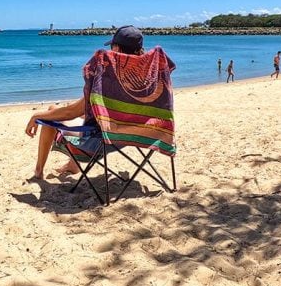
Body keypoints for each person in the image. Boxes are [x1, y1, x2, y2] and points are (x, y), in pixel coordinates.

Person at [24, 25, 175, 180]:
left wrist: (37, 115)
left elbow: (71, 113)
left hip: (103, 140)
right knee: (92, 114)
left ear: (116, 48)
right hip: (140, 133)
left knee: (51, 112)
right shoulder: (150, 78)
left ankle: (38, 171)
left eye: (111, 46)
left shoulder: (109, 80)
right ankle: (72, 165)